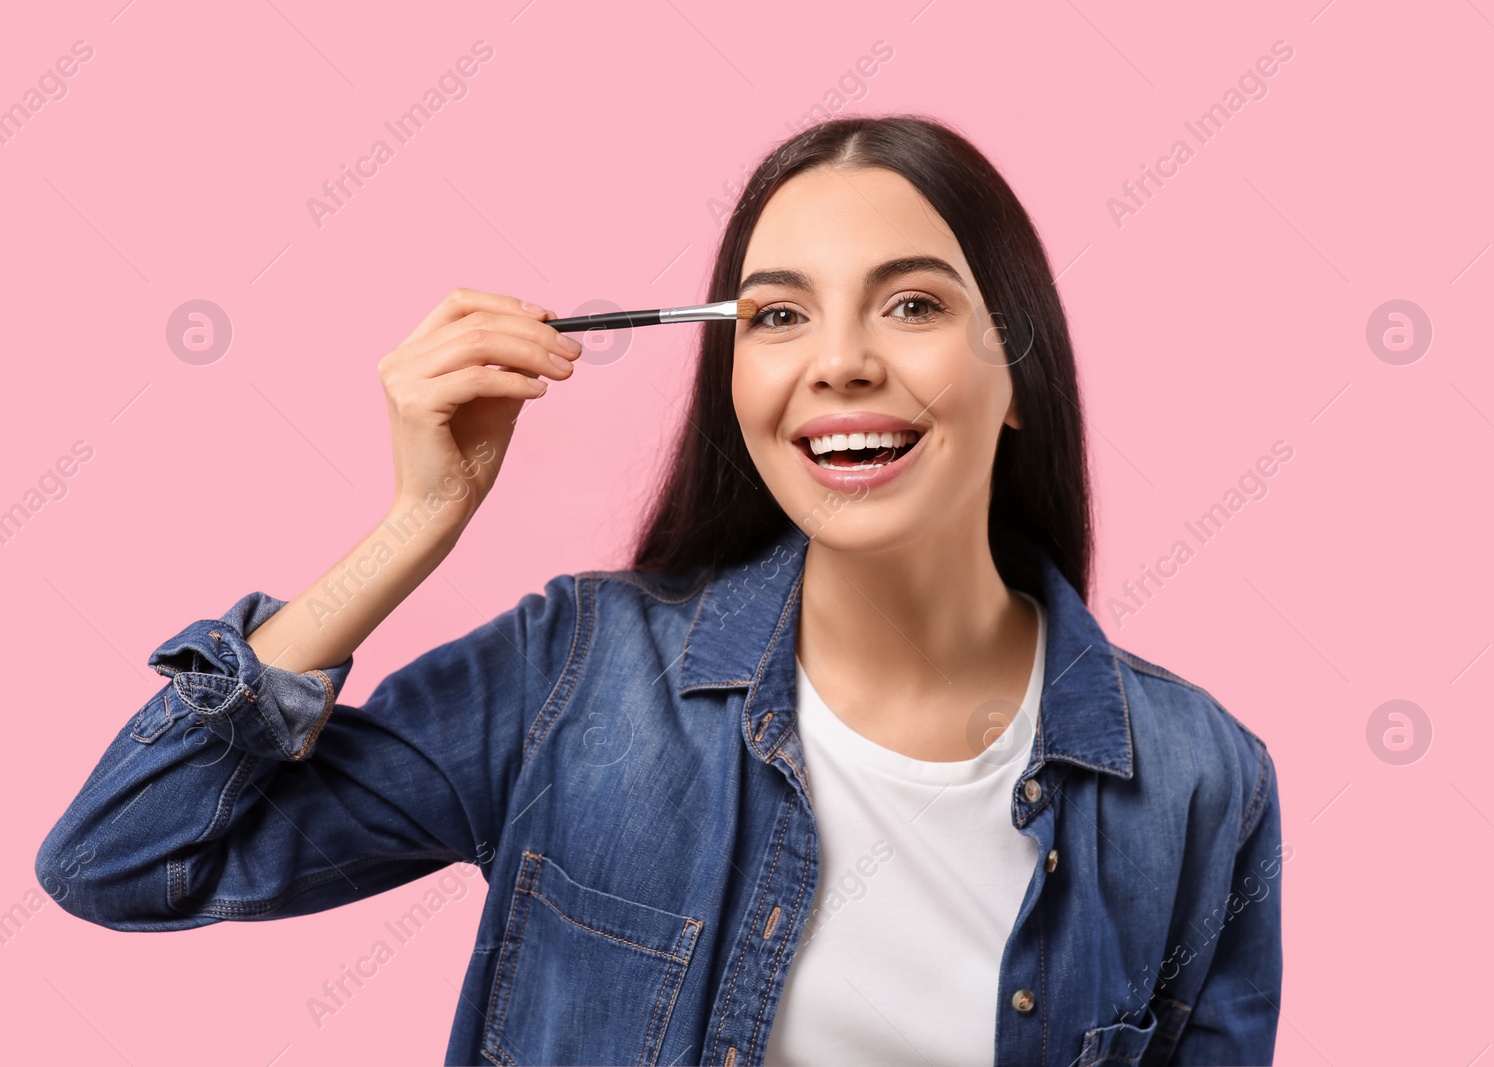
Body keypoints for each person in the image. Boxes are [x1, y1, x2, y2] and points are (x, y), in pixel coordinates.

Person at [36, 115, 1282, 1066]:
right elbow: (123, 856)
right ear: (735, 382)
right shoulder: (577, 676)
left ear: (1016, 368)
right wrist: (415, 523)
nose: (839, 361)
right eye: (778, 315)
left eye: (909, 303)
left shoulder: (1197, 777)